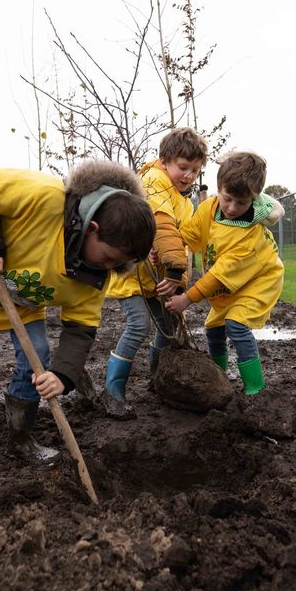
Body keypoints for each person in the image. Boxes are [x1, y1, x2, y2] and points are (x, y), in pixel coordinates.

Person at [0, 160, 156, 462]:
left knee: (37, 357)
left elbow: (81, 327)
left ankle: (20, 438)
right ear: (93, 228)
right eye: (108, 257)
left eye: (117, 264)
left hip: (19, 302)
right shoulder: (44, 197)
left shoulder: (94, 277)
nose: (109, 267)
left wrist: (63, 375)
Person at [104, 127, 208, 418]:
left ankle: (156, 380)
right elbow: (161, 226)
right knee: (138, 325)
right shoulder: (154, 181)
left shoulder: (184, 200)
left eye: (195, 171)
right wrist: (171, 266)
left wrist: (177, 276)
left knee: (168, 327)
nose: (188, 175)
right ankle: (113, 391)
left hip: (158, 279)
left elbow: (182, 240)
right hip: (134, 275)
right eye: (182, 167)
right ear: (165, 161)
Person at [165, 150, 285, 395]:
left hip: (259, 281)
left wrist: (187, 299)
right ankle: (220, 381)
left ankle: (255, 388)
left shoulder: (247, 236)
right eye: (227, 198)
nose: (231, 207)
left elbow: (219, 274)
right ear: (219, 188)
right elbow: (189, 235)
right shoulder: (209, 208)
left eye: (242, 203)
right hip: (232, 281)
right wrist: (167, 249)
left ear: (254, 199)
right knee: (214, 327)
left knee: (236, 324)